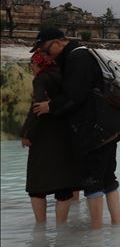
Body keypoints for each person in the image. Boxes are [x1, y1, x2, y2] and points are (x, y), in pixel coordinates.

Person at [30, 28, 120, 230]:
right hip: (109, 124)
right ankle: (116, 227)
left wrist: (51, 106)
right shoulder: (80, 54)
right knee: (108, 177)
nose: (46, 54)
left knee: (93, 180)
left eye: (46, 49)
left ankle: (96, 232)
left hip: (96, 128)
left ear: (59, 42)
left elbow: (75, 95)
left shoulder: (76, 58)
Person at [20, 51, 80, 223]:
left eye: (32, 64)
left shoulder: (41, 79)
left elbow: (38, 108)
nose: (31, 68)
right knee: (64, 187)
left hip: (44, 136)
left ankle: (40, 229)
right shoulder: (64, 76)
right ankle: (61, 228)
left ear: (40, 64)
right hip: (66, 135)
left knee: (37, 187)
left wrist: (27, 133)